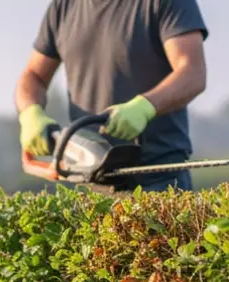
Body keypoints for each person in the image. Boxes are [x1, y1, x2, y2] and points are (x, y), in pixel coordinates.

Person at [15, 0, 209, 192]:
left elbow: (192, 73)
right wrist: (30, 113)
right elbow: (34, 75)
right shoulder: (63, 7)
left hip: (158, 178)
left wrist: (145, 107)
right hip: (88, 177)